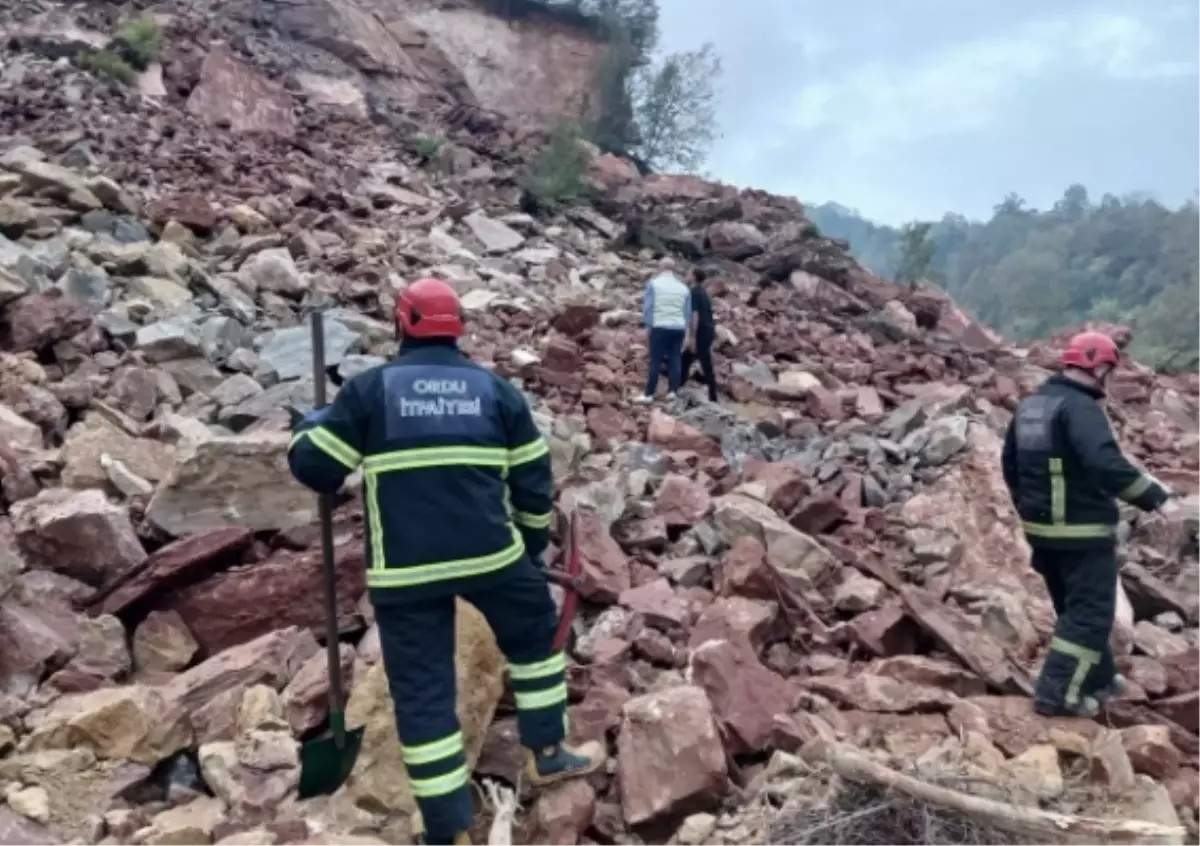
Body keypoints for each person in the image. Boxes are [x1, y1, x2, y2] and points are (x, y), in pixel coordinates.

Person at [287, 277, 605, 846]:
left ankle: (449, 830)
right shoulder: (495, 392)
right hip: (491, 557)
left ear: (402, 324)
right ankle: (548, 753)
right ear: (457, 327)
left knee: (423, 693)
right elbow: (534, 481)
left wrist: (310, 429)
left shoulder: (370, 393)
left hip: (407, 573)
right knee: (536, 640)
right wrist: (530, 550)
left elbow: (317, 470)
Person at [1001, 330, 1176, 718]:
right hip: (1081, 533)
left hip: (1042, 534)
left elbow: (1010, 466)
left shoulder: (1031, 406)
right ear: (1098, 367)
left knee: (1073, 610)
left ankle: (1099, 678)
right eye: (1109, 370)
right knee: (1091, 615)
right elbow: (1105, 464)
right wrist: (1156, 498)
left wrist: (1029, 510)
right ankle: (1056, 695)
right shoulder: (1079, 409)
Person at [635, 256, 691, 404]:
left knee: (655, 360)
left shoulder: (653, 284)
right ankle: (672, 392)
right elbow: (687, 313)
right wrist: (687, 333)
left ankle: (648, 394)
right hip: (678, 327)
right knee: (675, 359)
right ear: (673, 269)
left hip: (660, 326)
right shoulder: (684, 288)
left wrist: (648, 326)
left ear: (660, 268)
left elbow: (648, 307)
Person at [681, 266, 718, 402]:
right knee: (686, 359)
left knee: (704, 363)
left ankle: (713, 397)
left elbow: (694, 315)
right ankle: (678, 388)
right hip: (708, 330)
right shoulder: (703, 292)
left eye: (688, 273)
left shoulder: (694, 292)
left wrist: (692, 337)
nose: (686, 275)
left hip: (700, 332)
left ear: (694, 277)